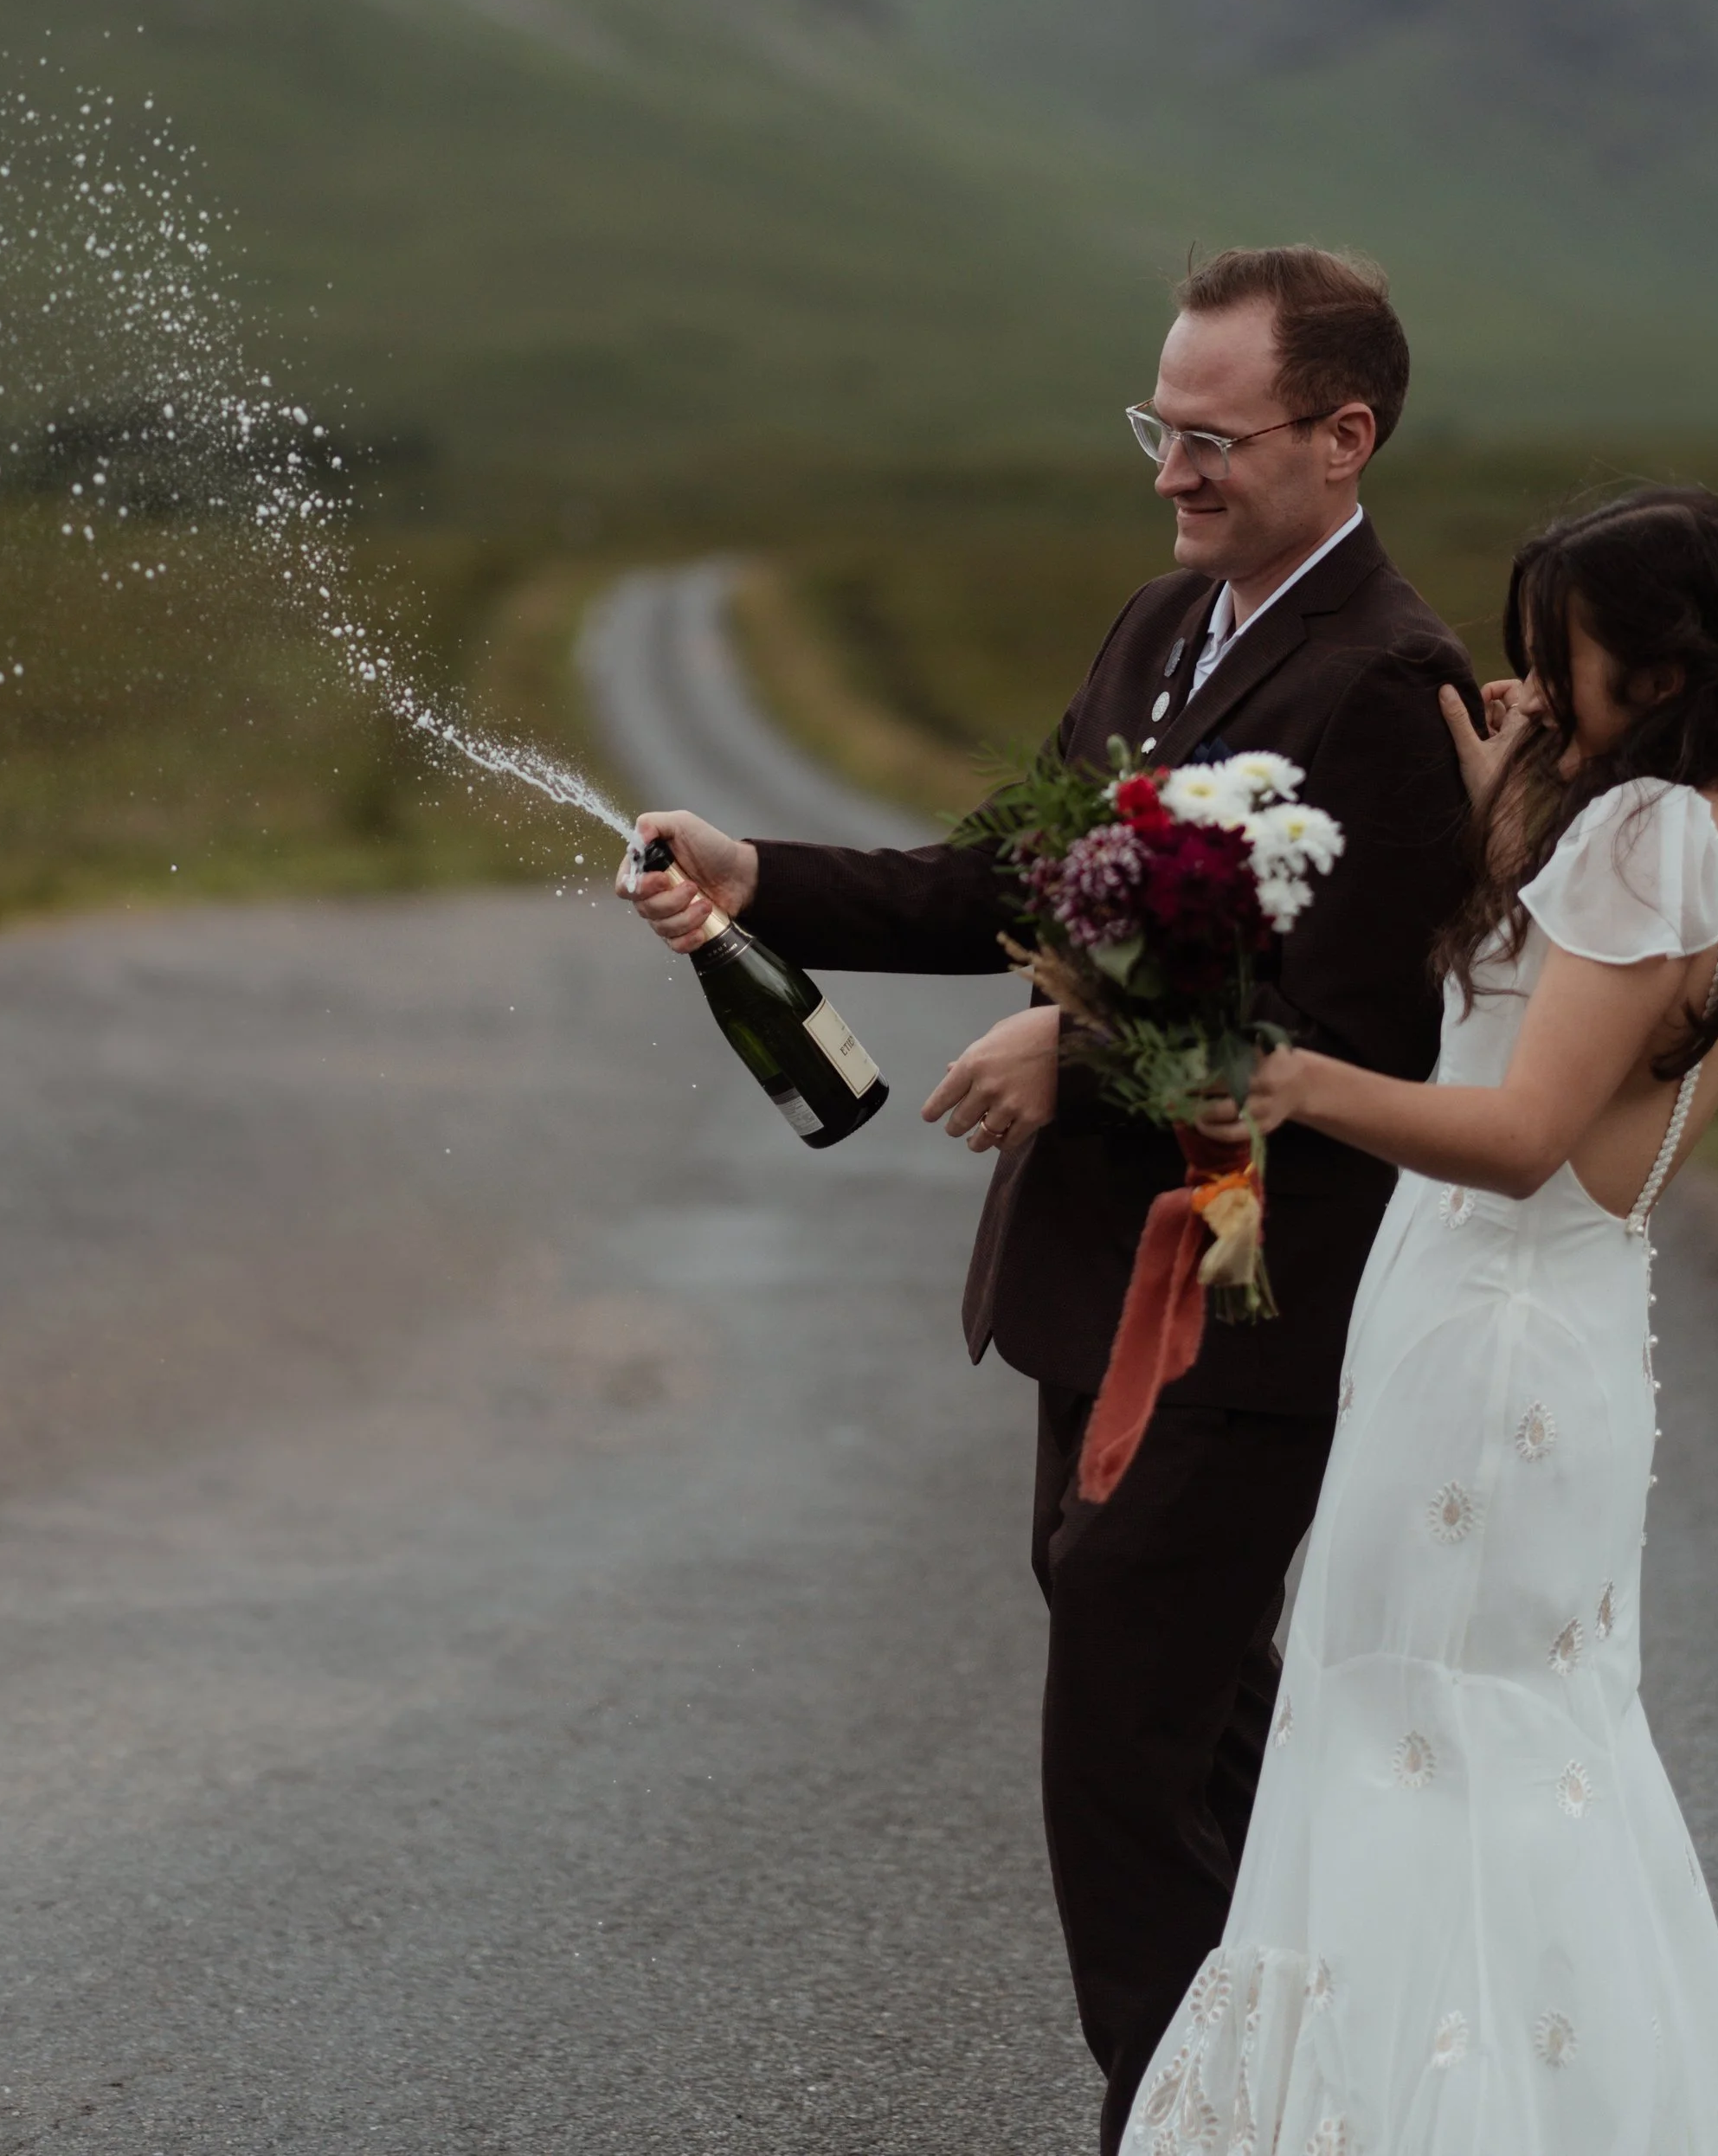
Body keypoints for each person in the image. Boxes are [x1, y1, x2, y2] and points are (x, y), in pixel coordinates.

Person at [621, 244, 1478, 2150]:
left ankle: (1166, 2130)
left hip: (1240, 1309)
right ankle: (1311, 2100)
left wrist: (1065, 1050)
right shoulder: (1153, 628)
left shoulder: (1382, 683)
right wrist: (752, 869)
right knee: (1200, 1749)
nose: (1167, 471)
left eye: (1208, 437)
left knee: (1120, 1758)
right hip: (1091, 1293)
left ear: (1343, 439)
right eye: (1151, 427)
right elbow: (1005, 884)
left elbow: (1351, 1026)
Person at [1123, 483, 1718, 2156]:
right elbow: (1576, 1093)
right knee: (1483, 1743)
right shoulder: (1698, 828)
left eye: (1556, 655)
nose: (1530, 683)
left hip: (1490, 1341)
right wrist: (1516, 808)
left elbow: (1521, 1139)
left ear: (1651, 664)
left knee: (1416, 1734)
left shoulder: (1648, 836)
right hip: (1535, 1332)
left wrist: (1291, 1079)